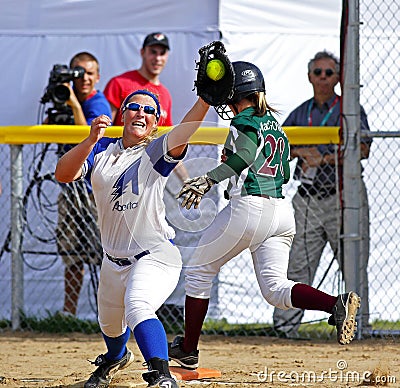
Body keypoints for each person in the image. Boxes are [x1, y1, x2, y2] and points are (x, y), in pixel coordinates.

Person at [168, 61, 361, 371]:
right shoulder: (274, 123)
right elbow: (282, 172)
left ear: (236, 93)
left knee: (198, 272)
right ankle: (334, 304)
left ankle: (188, 349)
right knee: (275, 289)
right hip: (280, 212)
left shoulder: (244, 120)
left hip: (249, 207)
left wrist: (208, 180)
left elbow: (245, 156)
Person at [54, 89, 211, 388]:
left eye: (149, 111)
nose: (141, 113)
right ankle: (116, 358)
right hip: (113, 261)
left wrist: (204, 101)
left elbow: (185, 132)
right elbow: (63, 173)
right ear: (122, 114)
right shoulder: (101, 151)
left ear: (155, 123)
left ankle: (161, 375)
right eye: (134, 107)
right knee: (110, 326)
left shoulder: (154, 152)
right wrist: (88, 140)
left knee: (138, 305)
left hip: (155, 255)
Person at [272, 50, 371, 337]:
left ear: (339, 77)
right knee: (297, 266)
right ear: (309, 77)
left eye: (329, 73)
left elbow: (363, 149)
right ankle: (285, 329)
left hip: (344, 198)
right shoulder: (301, 112)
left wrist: (324, 158)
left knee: (353, 265)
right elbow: (278, 146)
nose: (324, 78)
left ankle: (358, 326)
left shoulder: (349, 109)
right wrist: (302, 152)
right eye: (318, 72)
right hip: (309, 197)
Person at [55, 51, 112, 316]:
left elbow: (89, 141)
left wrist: (75, 107)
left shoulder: (97, 103)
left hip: (93, 192)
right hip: (70, 188)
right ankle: (69, 313)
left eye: (90, 73)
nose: (84, 78)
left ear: (98, 77)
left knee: (104, 255)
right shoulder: (65, 100)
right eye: (79, 72)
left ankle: (109, 314)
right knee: (72, 254)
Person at [103, 32, 172, 127]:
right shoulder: (119, 83)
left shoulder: (165, 94)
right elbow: (105, 127)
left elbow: (166, 134)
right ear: (142, 52)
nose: (158, 58)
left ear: (167, 56)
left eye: (162, 53)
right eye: (153, 52)